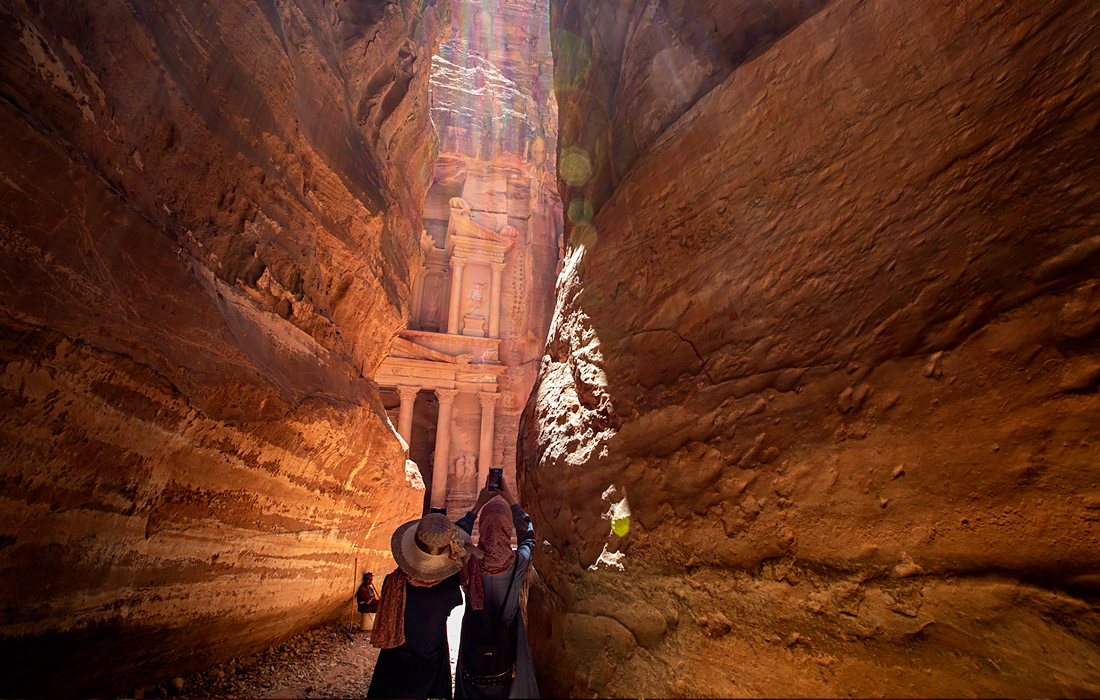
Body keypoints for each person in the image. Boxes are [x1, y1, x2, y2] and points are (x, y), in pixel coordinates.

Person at [367, 512, 480, 699]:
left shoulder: (393, 581)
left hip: (392, 669)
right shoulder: (448, 589)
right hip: (431, 670)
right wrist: (474, 511)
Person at [454, 478, 539, 698]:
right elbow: (529, 537)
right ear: (506, 526)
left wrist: (477, 506)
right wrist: (511, 501)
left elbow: (451, 538)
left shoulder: (468, 563)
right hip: (506, 643)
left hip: (473, 640)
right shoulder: (517, 563)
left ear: (482, 527)